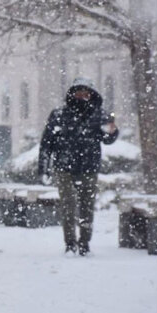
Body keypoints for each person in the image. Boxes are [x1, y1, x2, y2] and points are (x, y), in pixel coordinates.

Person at [38, 77, 119, 256]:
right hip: (64, 166)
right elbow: (47, 143)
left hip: (89, 167)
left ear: (91, 94)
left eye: (85, 93)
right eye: (78, 92)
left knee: (87, 206)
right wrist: (43, 168)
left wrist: (113, 131)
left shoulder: (98, 115)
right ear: (72, 94)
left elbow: (107, 139)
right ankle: (70, 242)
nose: (82, 96)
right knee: (67, 206)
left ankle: (84, 242)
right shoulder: (59, 115)